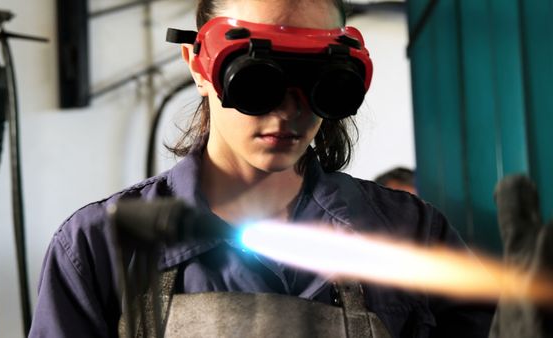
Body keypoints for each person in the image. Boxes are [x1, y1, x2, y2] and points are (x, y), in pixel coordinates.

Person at [29, 0, 494, 337]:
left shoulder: (410, 233)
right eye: (256, 79)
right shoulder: (99, 246)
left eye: (317, 81)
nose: (286, 111)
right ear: (199, 65)